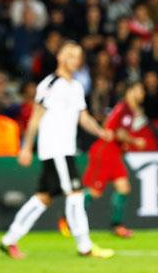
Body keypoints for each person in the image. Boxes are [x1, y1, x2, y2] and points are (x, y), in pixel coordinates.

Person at [0, 41, 114, 260]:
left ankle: (9, 240)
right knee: (76, 194)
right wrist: (27, 147)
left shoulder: (76, 86)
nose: (74, 59)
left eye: (77, 56)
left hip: (65, 148)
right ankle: (85, 246)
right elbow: (36, 116)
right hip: (55, 148)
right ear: (60, 57)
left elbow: (83, 117)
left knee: (43, 198)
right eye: (70, 55)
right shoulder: (50, 84)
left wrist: (100, 132)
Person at [59, 80, 147, 239]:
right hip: (105, 152)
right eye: (140, 90)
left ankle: (117, 226)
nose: (143, 94)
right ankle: (67, 218)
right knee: (94, 192)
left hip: (113, 153)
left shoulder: (126, 109)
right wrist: (135, 141)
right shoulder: (125, 109)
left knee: (124, 188)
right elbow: (118, 133)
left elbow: (112, 128)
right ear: (130, 91)